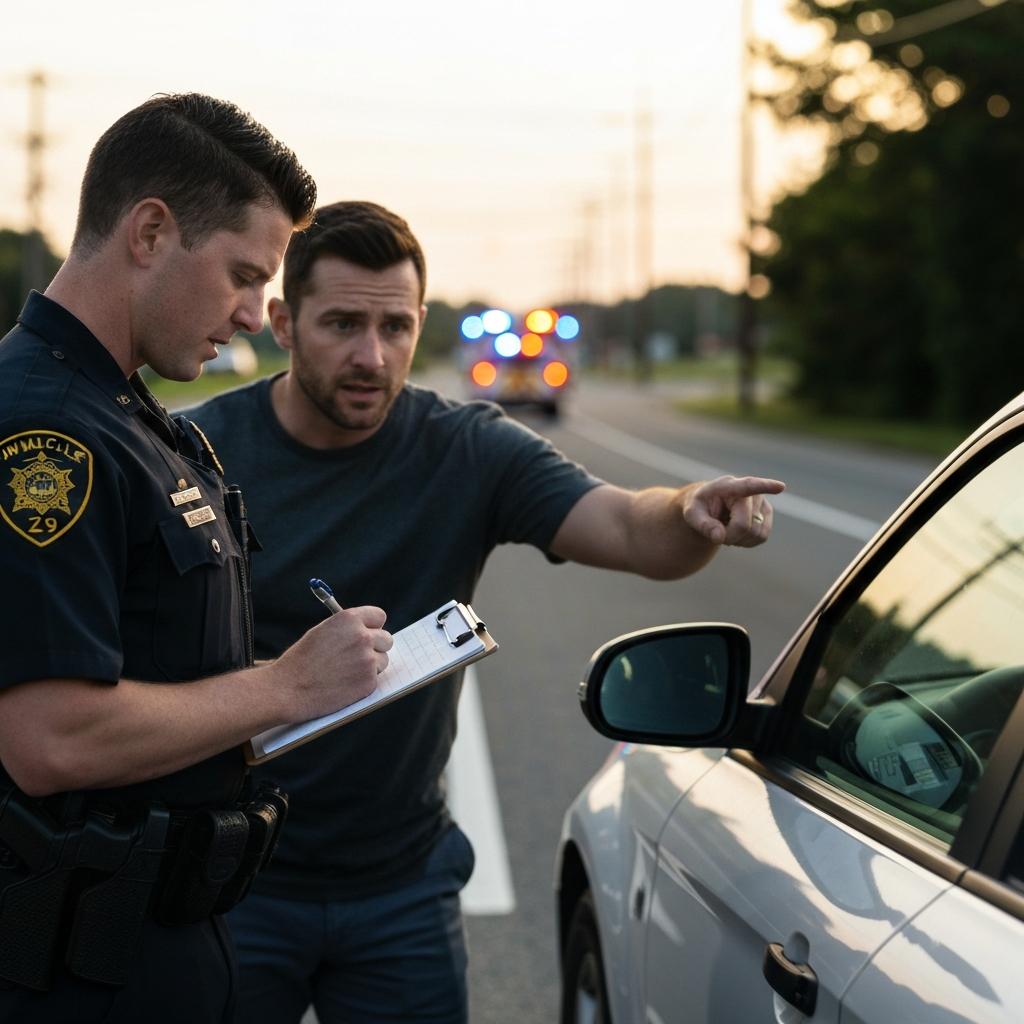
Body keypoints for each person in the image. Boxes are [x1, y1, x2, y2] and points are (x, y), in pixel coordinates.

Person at [185, 200, 785, 1024]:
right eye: (343, 324)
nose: (371, 355)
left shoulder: (465, 449)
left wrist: (689, 510)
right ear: (284, 324)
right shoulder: (197, 453)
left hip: (401, 886)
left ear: (421, 324)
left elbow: (625, 526)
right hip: (231, 882)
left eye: (395, 328)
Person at [0, 99, 393, 1024]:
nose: (257, 315)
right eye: (244, 275)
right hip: (75, 972)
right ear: (149, 232)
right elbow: (50, 739)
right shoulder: (45, 431)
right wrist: (287, 687)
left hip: (151, 937)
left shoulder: (127, 418)